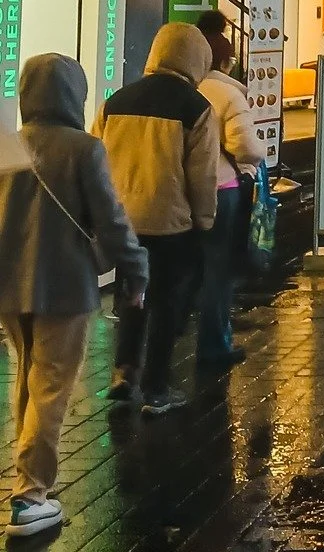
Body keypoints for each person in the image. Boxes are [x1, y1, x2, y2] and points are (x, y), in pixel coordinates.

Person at [0, 55, 148, 536]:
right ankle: (29, 495)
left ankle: (27, 481)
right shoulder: (83, 149)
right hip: (65, 286)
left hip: (8, 285)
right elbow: (111, 218)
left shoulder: (7, 145)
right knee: (51, 387)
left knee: (26, 377)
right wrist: (136, 271)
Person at [96, 22, 220, 417]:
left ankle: (123, 372)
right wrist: (205, 222)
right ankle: (156, 388)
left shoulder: (115, 101)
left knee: (132, 294)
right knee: (166, 301)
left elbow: (96, 160)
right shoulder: (196, 108)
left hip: (122, 222)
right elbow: (202, 176)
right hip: (170, 224)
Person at [195, 23, 263, 369]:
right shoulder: (228, 94)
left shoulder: (184, 88)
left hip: (182, 192)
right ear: (225, 61)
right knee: (218, 270)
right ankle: (214, 342)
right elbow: (246, 147)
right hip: (223, 190)